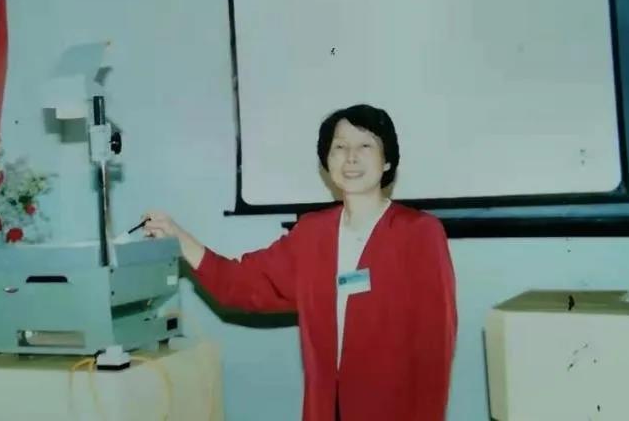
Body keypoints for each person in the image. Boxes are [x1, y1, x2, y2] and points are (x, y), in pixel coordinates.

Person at [142, 104, 457, 421]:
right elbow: (240, 284)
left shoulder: (419, 233)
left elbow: (434, 349)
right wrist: (180, 238)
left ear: (387, 160)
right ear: (327, 160)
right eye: (339, 147)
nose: (351, 157)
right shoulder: (311, 233)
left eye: (365, 145)